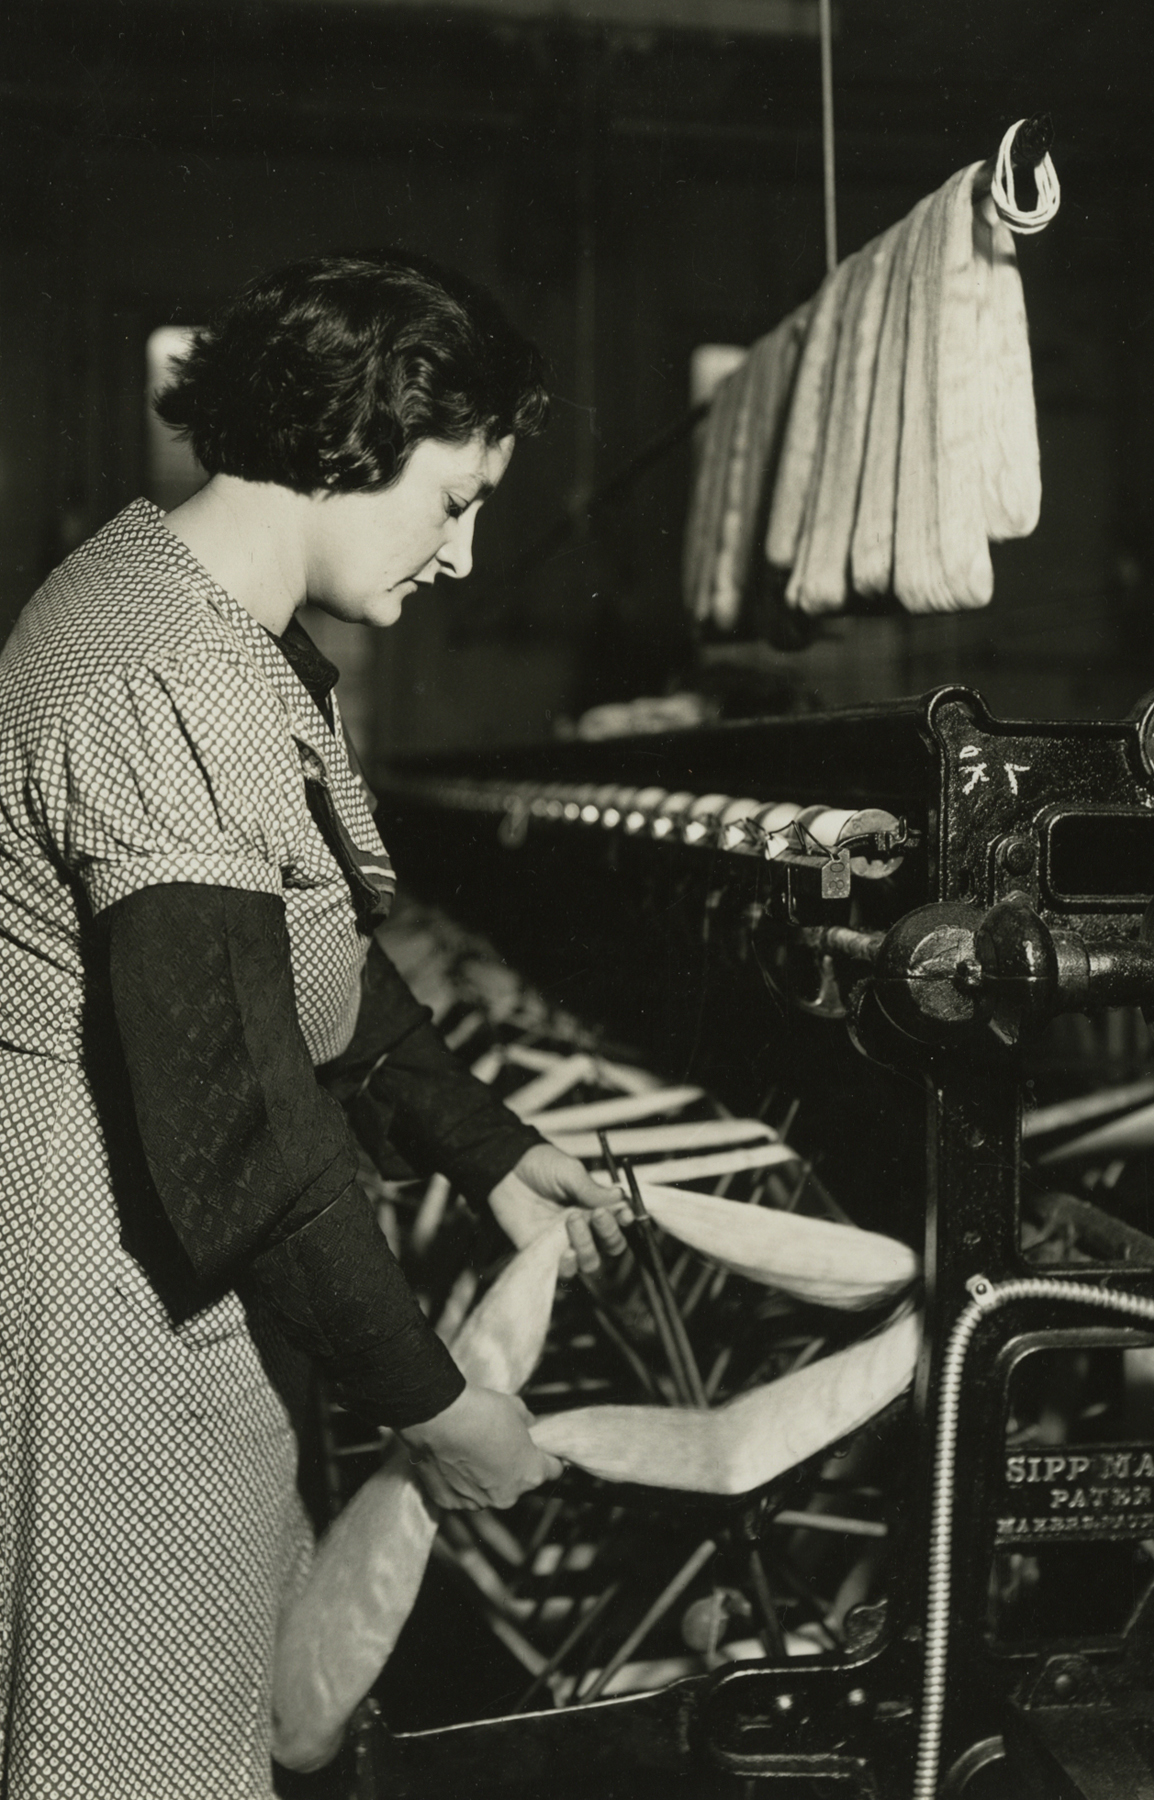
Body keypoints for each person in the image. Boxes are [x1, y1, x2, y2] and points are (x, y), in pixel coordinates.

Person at [0, 250, 626, 1800]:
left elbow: (309, 956)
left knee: (218, 1705)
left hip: (164, 1266)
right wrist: (441, 1409)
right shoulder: (171, 676)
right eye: (455, 498)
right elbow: (240, 1127)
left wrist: (481, 1145)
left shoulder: (204, 611)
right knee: (137, 1749)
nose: (467, 554)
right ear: (353, 442)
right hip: (110, 1310)